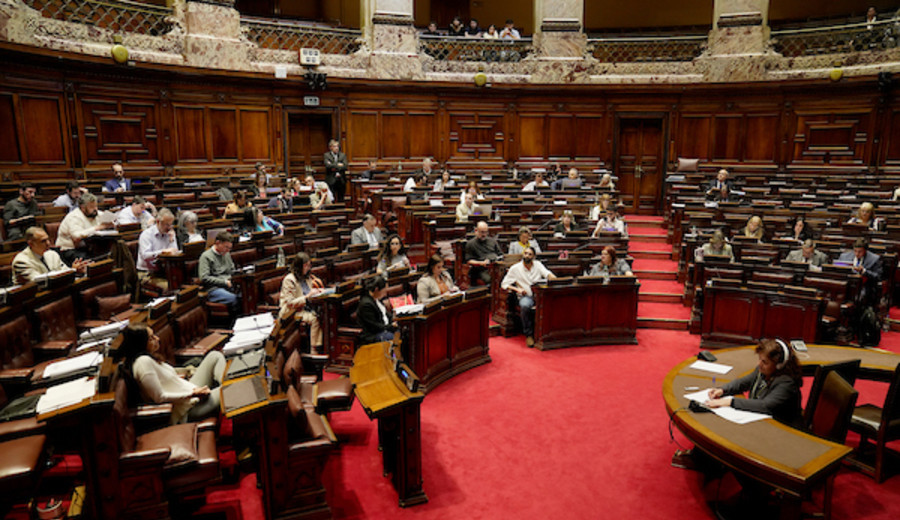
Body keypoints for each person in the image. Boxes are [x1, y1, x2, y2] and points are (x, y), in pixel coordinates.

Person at [118, 322, 226, 424]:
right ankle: (228, 383)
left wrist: (188, 373)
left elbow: (167, 376)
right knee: (231, 389)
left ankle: (227, 379)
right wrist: (193, 394)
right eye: (151, 338)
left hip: (190, 391)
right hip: (187, 408)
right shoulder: (143, 363)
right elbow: (159, 397)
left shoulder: (148, 358)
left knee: (214, 356)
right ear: (140, 343)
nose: (157, 338)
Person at [704, 339, 803, 427]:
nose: (759, 364)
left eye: (765, 362)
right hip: (760, 420)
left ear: (779, 365)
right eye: (760, 359)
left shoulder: (787, 383)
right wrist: (722, 390)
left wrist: (730, 402)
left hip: (782, 428)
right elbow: (744, 382)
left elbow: (765, 405)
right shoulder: (763, 371)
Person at [501, 247, 557, 347]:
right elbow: (504, 284)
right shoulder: (515, 268)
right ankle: (529, 335)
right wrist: (517, 290)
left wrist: (553, 279)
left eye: (529, 254)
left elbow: (547, 274)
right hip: (526, 296)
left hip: (540, 295)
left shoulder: (538, 264)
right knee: (525, 305)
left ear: (534, 256)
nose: (527, 256)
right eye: (525, 253)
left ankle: (549, 333)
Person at [278, 253, 325, 351]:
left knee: (324, 313)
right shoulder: (289, 279)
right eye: (305, 266)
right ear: (299, 266)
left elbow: (311, 293)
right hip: (292, 311)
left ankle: (324, 347)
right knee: (314, 318)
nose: (308, 268)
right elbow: (290, 303)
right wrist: (307, 296)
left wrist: (319, 292)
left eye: (308, 265)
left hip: (306, 307)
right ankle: (314, 350)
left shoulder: (307, 277)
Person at [13, 226, 87, 284]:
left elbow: (65, 272)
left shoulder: (52, 254)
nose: (48, 243)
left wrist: (76, 271)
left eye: (48, 239)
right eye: (43, 241)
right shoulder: (21, 261)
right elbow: (39, 282)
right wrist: (72, 270)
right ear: (31, 244)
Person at [56, 192, 114, 263]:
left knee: (110, 253)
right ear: (83, 208)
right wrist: (98, 227)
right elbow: (76, 236)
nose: (95, 209)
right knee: (91, 260)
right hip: (69, 249)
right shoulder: (74, 217)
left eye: (96, 206)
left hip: (89, 247)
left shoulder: (96, 213)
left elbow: (107, 220)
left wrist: (111, 224)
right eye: (92, 207)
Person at [198, 231, 239, 319]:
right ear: (217, 243)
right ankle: (232, 324)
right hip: (213, 289)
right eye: (226, 247)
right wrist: (224, 282)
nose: (228, 250)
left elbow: (232, 270)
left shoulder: (226, 254)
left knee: (246, 293)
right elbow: (204, 277)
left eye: (230, 248)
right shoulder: (206, 256)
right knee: (233, 298)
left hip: (229, 285)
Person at [137, 208, 178, 290]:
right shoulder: (146, 235)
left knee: (181, 283)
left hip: (163, 271)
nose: (169, 228)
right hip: (147, 274)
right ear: (158, 222)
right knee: (168, 286)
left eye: (171, 224)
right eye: (167, 224)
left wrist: (172, 240)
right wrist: (162, 252)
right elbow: (145, 255)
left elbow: (175, 252)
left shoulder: (169, 234)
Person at [837, 238, 883, 305]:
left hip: (865, 286)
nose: (857, 254)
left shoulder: (874, 259)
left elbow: (878, 276)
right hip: (847, 284)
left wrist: (864, 271)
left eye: (860, 251)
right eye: (855, 251)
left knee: (858, 297)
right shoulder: (844, 257)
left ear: (865, 250)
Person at [357, 276, 397, 345]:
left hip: (384, 329)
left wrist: (395, 319)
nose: (385, 293)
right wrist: (391, 326)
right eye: (384, 290)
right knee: (394, 337)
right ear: (376, 289)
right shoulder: (366, 304)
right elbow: (375, 326)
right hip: (373, 335)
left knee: (405, 332)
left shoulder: (377, 299)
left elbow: (385, 314)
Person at [465, 221, 503, 285]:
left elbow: (500, 255)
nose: (484, 235)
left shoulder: (492, 241)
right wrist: (481, 263)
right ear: (476, 230)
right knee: (490, 279)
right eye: (482, 232)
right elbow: (469, 261)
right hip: (482, 269)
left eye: (486, 232)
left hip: (495, 267)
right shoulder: (470, 244)